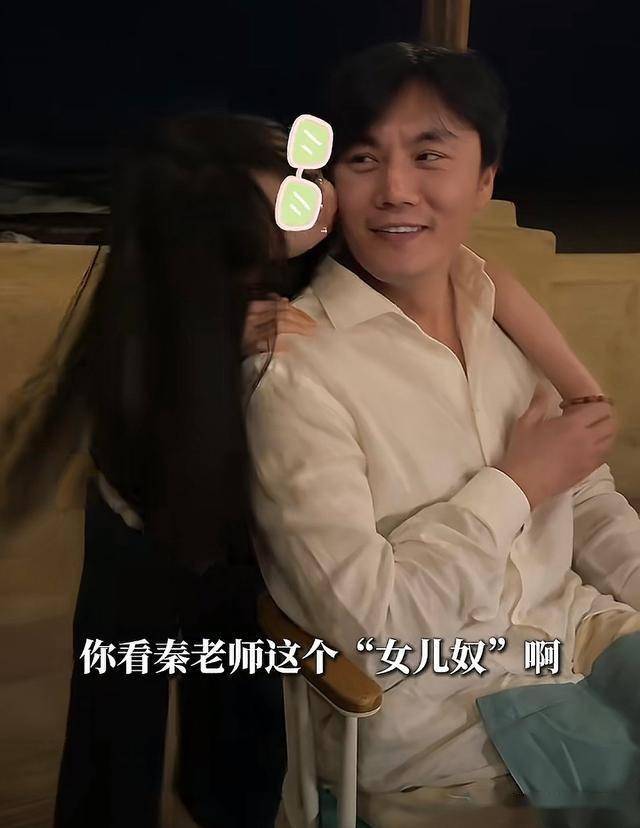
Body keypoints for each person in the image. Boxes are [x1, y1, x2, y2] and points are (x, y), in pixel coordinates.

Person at [244, 43, 640, 828]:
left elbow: (585, 494)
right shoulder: (295, 370)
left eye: (430, 156)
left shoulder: (497, 308)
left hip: (579, 634)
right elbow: (371, 628)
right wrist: (516, 485)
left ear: (485, 179)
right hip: (453, 721)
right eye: (364, 159)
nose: (396, 189)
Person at [0, 113, 335, 828]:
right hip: (141, 518)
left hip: (240, 529)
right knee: (118, 718)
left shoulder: (302, 229)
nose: (313, 199)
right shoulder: (157, 317)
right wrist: (219, 340)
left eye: (299, 176)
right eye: (283, 206)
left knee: (241, 715)